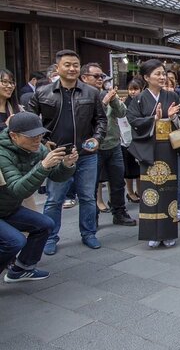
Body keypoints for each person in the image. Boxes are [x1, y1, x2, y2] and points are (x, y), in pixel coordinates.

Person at [28, 49, 107, 255]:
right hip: (57, 154)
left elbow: (101, 120)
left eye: (75, 65)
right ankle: (50, 237)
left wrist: (97, 138)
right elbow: (30, 121)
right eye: (67, 65)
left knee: (88, 197)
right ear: (58, 68)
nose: (72, 68)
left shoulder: (91, 92)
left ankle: (89, 233)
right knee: (54, 199)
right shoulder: (42, 92)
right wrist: (44, 142)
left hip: (86, 154)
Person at [0, 112, 77, 282]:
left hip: (8, 208)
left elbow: (57, 176)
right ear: (14, 135)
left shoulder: (37, 148)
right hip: (7, 204)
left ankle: (22, 269)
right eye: (32, 136)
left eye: (40, 135)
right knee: (14, 241)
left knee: (45, 224)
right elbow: (18, 190)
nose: (38, 139)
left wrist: (67, 164)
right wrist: (43, 166)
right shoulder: (2, 154)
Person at [125, 59, 180, 248]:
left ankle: (168, 232)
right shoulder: (139, 99)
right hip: (149, 148)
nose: (161, 76)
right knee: (149, 191)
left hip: (168, 148)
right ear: (146, 77)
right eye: (157, 73)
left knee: (168, 190)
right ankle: (152, 232)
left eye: (163, 73)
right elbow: (132, 120)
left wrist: (172, 117)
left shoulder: (172, 95)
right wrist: (153, 119)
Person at [80, 63, 136, 227]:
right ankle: (92, 219)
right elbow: (86, 119)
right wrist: (104, 102)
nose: (100, 79)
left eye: (102, 76)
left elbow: (121, 113)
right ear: (84, 78)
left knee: (118, 182)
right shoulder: (82, 96)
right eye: (96, 76)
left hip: (113, 144)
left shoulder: (106, 93)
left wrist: (114, 100)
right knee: (91, 185)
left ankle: (119, 213)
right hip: (92, 148)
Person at [123, 79, 142, 204]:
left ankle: (139, 191)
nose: (133, 92)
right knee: (128, 169)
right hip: (126, 139)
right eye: (131, 89)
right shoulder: (125, 103)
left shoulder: (142, 101)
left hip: (139, 138)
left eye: (135, 89)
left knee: (139, 169)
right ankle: (129, 192)